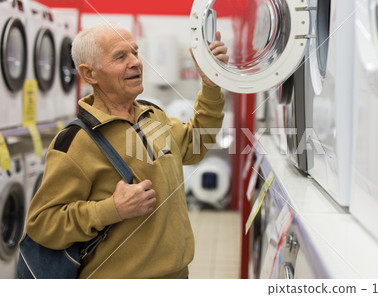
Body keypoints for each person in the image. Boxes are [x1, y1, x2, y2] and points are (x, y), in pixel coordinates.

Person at [25, 23, 229, 278]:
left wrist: (211, 85)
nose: (135, 62)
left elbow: (195, 144)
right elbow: (42, 223)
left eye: (135, 52)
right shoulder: (76, 142)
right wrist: (112, 209)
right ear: (90, 74)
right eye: (121, 56)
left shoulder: (150, 116)